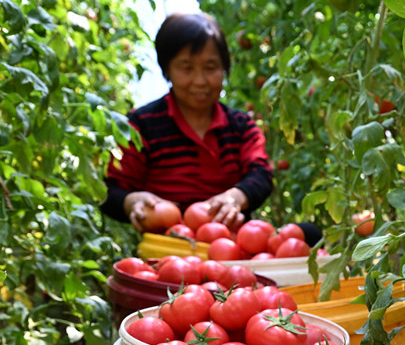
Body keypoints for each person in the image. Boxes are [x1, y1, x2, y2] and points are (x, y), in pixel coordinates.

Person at [101, 12, 275, 234]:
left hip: (231, 245)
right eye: (186, 68)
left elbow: (261, 174)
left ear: (224, 68)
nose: (200, 81)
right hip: (166, 247)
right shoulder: (141, 126)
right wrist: (131, 201)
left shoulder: (242, 127)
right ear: (167, 70)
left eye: (210, 68)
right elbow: (109, 189)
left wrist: (236, 196)